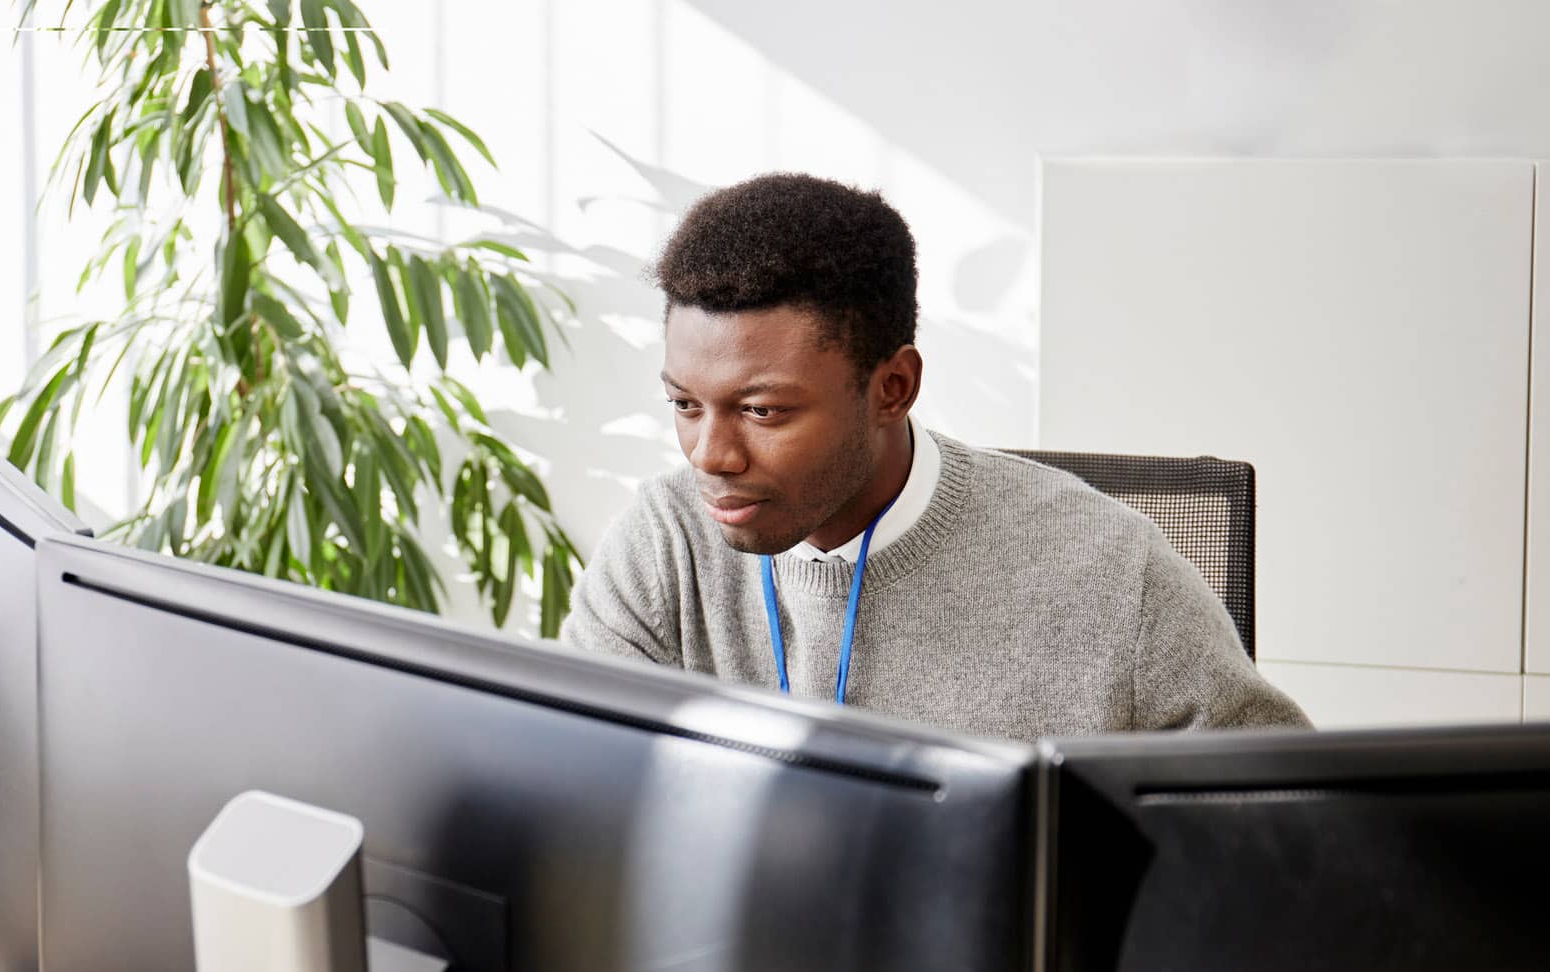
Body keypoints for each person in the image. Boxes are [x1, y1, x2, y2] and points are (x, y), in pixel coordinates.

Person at [560, 172, 1308, 740]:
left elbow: (1288, 827)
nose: (710, 455)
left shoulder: (1108, 570)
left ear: (892, 387)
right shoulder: (664, 542)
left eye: (761, 410)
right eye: (685, 404)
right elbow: (564, 781)